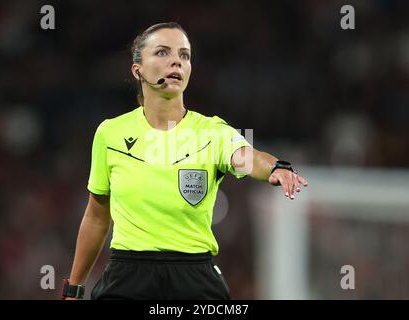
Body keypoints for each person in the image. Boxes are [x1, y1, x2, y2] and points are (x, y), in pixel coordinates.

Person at [62, 22, 308, 300]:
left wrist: (275, 167)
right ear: (138, 69)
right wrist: (75, 287)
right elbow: (96, 216)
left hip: (194, 279)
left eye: (184, 55)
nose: (176, 61)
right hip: (127, 277)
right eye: (163, 53)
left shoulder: (212, 132)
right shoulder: (110, 133)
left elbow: (248, 157)